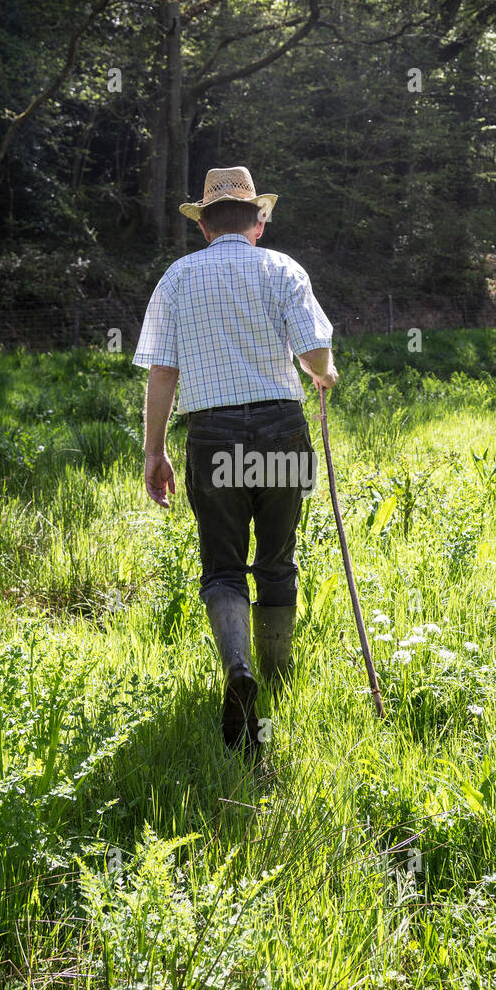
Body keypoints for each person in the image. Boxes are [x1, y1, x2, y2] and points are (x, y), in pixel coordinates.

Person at [132, 166, 338, 753]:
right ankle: (274, 679)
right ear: (259, 221)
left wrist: (154, 450)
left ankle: (238, 670)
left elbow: (163, 372)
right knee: (277, 560)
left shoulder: (176, 279)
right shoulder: (282, 269)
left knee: (222, 567)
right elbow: (315, 352)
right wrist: (323, 375)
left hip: (213, 436)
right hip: (281, 432)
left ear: (203, 227)